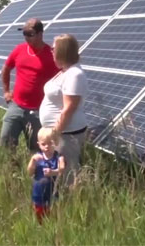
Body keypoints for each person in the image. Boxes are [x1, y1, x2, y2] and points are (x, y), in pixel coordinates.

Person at [0, 18, 60, 152]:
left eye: (30, 34)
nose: (26, 37)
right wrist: (6, 91)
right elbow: (6, 69)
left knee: (37, 147)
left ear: (40, 34)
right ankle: (10, 171)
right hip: (16, 106)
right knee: (5, 142)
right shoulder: (19, 49)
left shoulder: (51, 54)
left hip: (38, 111)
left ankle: (33, 171)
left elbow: (62, 79)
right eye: (24, 33)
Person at [39, 34, 88, 187]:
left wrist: (54, 133)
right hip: (59, 134)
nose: (51, 51)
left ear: (63, 50)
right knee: (56, 172)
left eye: (53, 48)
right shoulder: (66, 72)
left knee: (66, 175)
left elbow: (69, 109)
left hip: (66, 135)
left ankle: (67, 203)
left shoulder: (75, 75)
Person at [27, 127, 65, 224]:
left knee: (53, 212)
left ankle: (53, 227)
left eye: (50, 143)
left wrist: (53, 172)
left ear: (55, 143)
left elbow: (62, 169)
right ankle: (40, 227)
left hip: (53, 191)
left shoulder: (58, 157)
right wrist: (32, 161)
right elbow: (29, 172)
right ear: (39, 144)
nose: (46, 147)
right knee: (39, 212)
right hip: (38, 191)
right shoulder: (37, 157)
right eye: (43, 144)